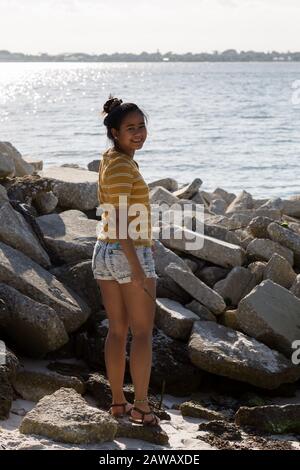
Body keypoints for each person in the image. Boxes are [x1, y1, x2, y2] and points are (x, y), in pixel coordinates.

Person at [91, 94, 160, 426]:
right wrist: (136, 263)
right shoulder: (121, 164)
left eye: (142, 126)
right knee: (143, 332)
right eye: (130, 128)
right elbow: (120, 218)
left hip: (105, 250)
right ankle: (142, 407)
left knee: (117, 330)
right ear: (115, 133)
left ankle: (118, 403)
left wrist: (147, 239)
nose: (139, 133)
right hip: (125, 251)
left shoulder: (111, 158)